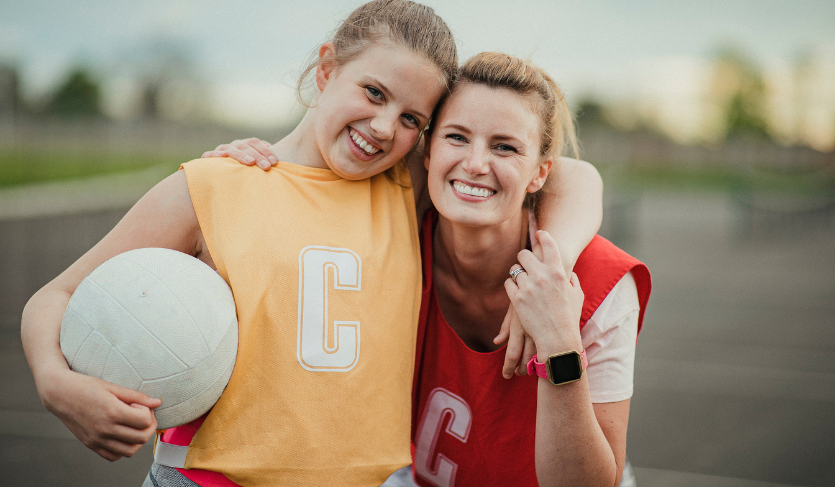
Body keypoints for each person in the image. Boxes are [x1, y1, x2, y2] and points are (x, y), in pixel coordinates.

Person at [20, 2, 603, 486]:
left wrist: (546, 272)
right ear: (326, 70)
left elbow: (575, 176)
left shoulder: (404, 187)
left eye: (411, 120)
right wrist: (55, 382)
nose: (383, 127)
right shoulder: (213, 185)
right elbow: (57, 295)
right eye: (373, 92)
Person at [222, 52, 651, 486]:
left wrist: (559, 339)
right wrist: (251, 169)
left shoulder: (600, 282)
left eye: (504, 146)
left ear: (540, 173)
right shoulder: (393, 234)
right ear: (427, 151)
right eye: (457, 137)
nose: (475, 164)